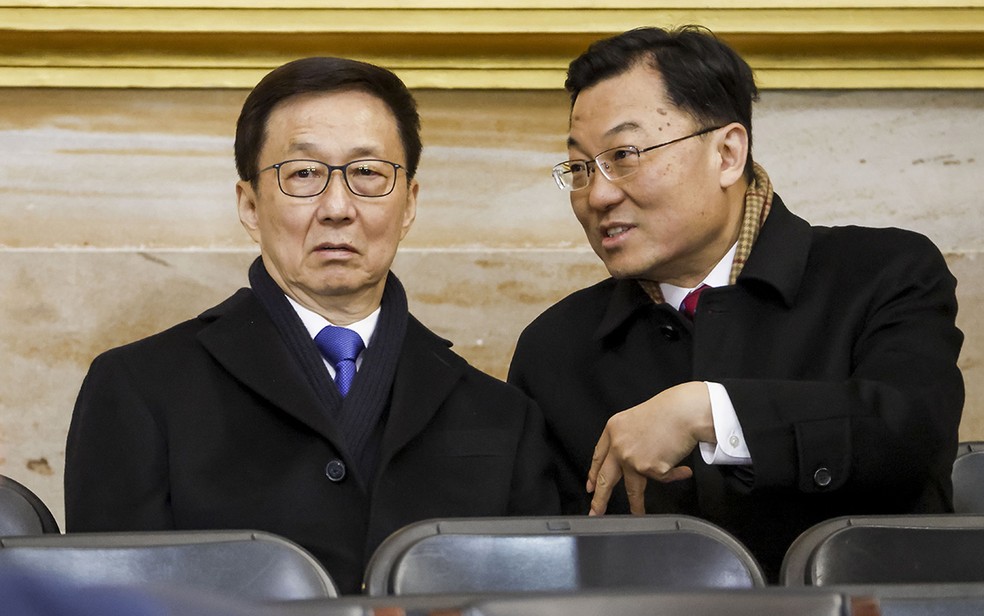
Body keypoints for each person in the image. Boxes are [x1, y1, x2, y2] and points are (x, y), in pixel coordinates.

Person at [65, 56, 559, 594]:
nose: (338, 207)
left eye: (367, 173)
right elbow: (109, 602)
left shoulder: (502, 415)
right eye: (304, 174)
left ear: (410, 202)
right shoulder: (139, 389)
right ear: (250, 205)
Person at [508, 25, 964, 581]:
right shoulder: (556, 347)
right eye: (581, 168)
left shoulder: (883, 272)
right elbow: (540, 561)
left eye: (624, 155)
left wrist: (711, 412)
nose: (598, 195)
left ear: (727, 153)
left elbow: (909, 434)